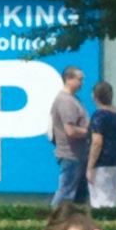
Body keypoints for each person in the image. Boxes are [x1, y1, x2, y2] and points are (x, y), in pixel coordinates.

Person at [49, 64, 92, 209]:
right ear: (68, 79)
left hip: (78, 155)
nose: (82, 83)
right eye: (80, 79)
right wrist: (90, 131)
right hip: (70, 155)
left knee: (77, 198)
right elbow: (70, 130)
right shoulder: (65, 101)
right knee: (65, 195)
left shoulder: (73, 99)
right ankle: (53, 221)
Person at [85, 81, 116, 210]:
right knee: (110, 196)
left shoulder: (99, 115)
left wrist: (90, 166)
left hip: (102, 162)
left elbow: (97, 142)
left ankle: (103, 225)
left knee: (100, 199)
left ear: (95, 96)